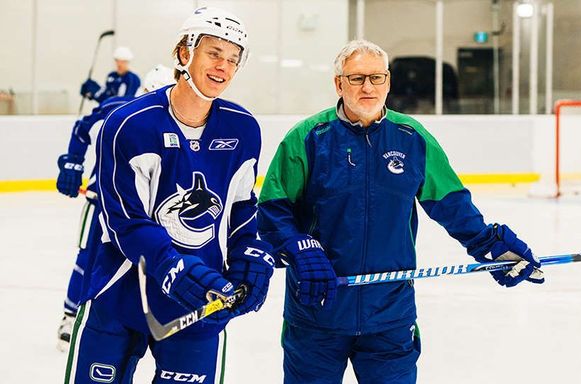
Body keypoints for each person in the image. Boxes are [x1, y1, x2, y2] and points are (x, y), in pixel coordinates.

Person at [258, 39, 544, 384]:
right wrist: (297, 248)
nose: (368, 87)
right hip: (318, 310)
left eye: (376, 78)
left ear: (388, 82)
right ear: (338, 83)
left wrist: (489, 244)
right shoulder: (306, 138)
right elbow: (273, 212)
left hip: (389, 315)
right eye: (357, 78)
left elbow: (450, 203)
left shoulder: (411, 138)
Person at [64, 8, 274, 383]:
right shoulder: (129, 123)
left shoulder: (243, 128)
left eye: (233, 59)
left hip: (200, 296)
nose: (223, 67)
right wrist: (170, 264)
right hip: (121, 292)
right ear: (184, 53)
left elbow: (242, 209)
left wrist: (249, 255)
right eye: (214, 53)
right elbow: (126, 222)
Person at [55, 64, 176, 352]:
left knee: (144, 266)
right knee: (88, 260)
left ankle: (139, 323)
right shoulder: (119, 110)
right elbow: (83, 129)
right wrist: (72, 163)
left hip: (147, 217)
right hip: (102, 206)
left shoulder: (181, 122)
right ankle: (72, 317)